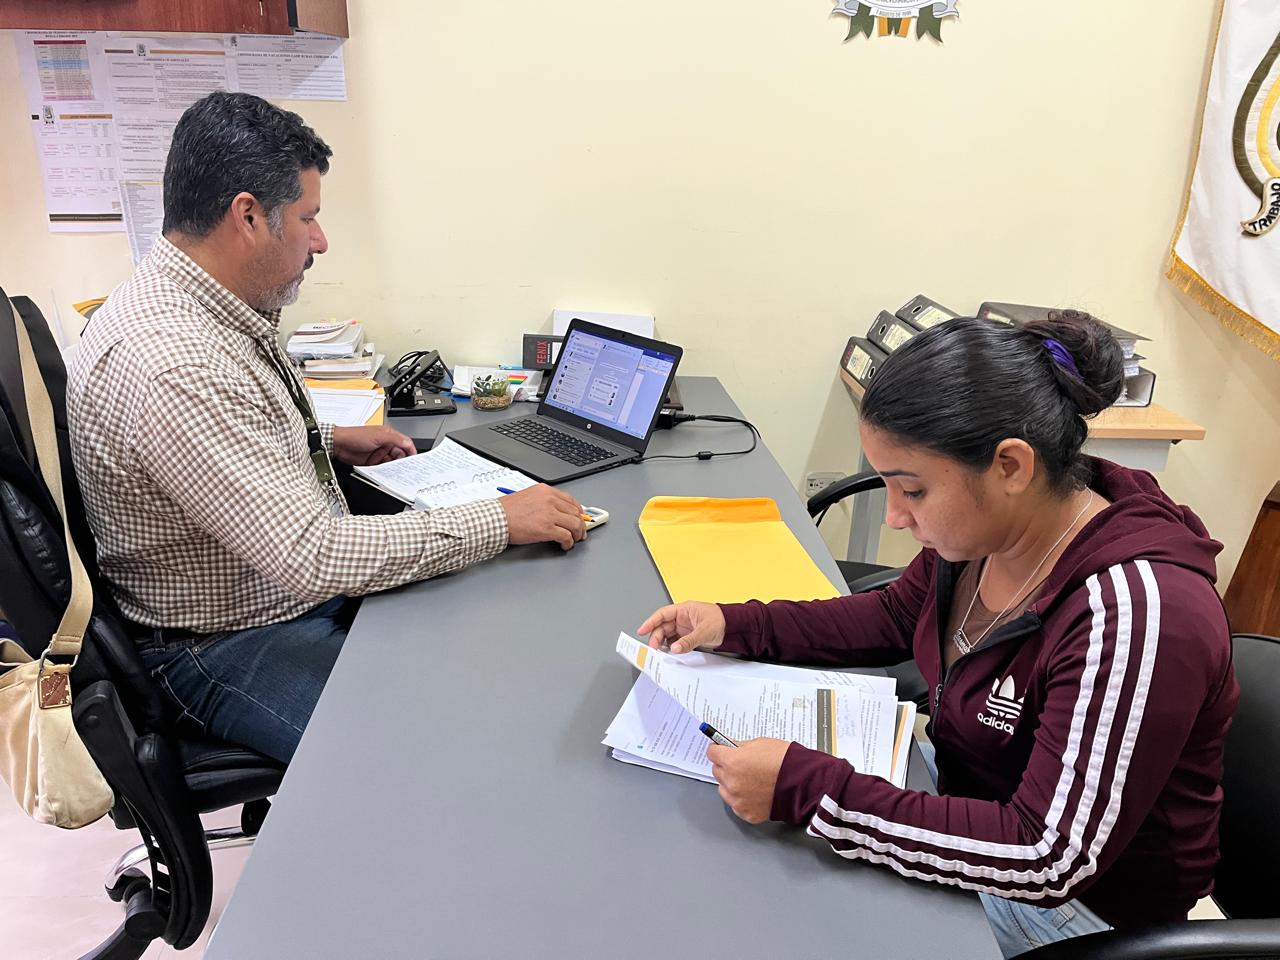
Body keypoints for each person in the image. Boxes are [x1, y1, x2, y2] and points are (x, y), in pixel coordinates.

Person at [638, 311, 1237, 957]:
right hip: (969, 821)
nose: (895, 517)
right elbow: (896, 617)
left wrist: (810, 792)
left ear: (1011, 466)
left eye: (913, 490)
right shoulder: (989, 533)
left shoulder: (1135, 615)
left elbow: (1046, 857)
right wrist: (736, 623)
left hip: (1079, 912)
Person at [67, 92, 587, 764]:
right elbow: (313, 557)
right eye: (307, 217)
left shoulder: (188, 302)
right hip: (220, 641)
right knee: (443, 751)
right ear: (247, 217)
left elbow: (213, 447)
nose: (320, 240)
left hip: (264, 588)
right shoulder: (175, 364)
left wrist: (323, 442)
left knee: (483, 635)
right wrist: (501, 520)